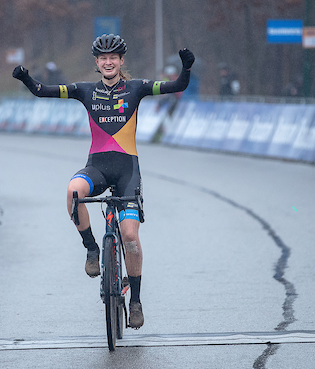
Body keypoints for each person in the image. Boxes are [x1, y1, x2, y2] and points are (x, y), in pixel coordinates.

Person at [12, 34, 195, 329]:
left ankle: (135, 301)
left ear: (122, 61)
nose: (108, 62)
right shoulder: (85, 90)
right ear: (97, 63)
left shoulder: (137, 88)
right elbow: (42, 91)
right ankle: (92, 249)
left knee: (130, 239)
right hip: (96, 167)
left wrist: (186, 69)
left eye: (114, 58)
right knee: (73, 192)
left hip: (127, 172)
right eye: (103, 58)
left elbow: (178, 86)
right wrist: (26, 78)